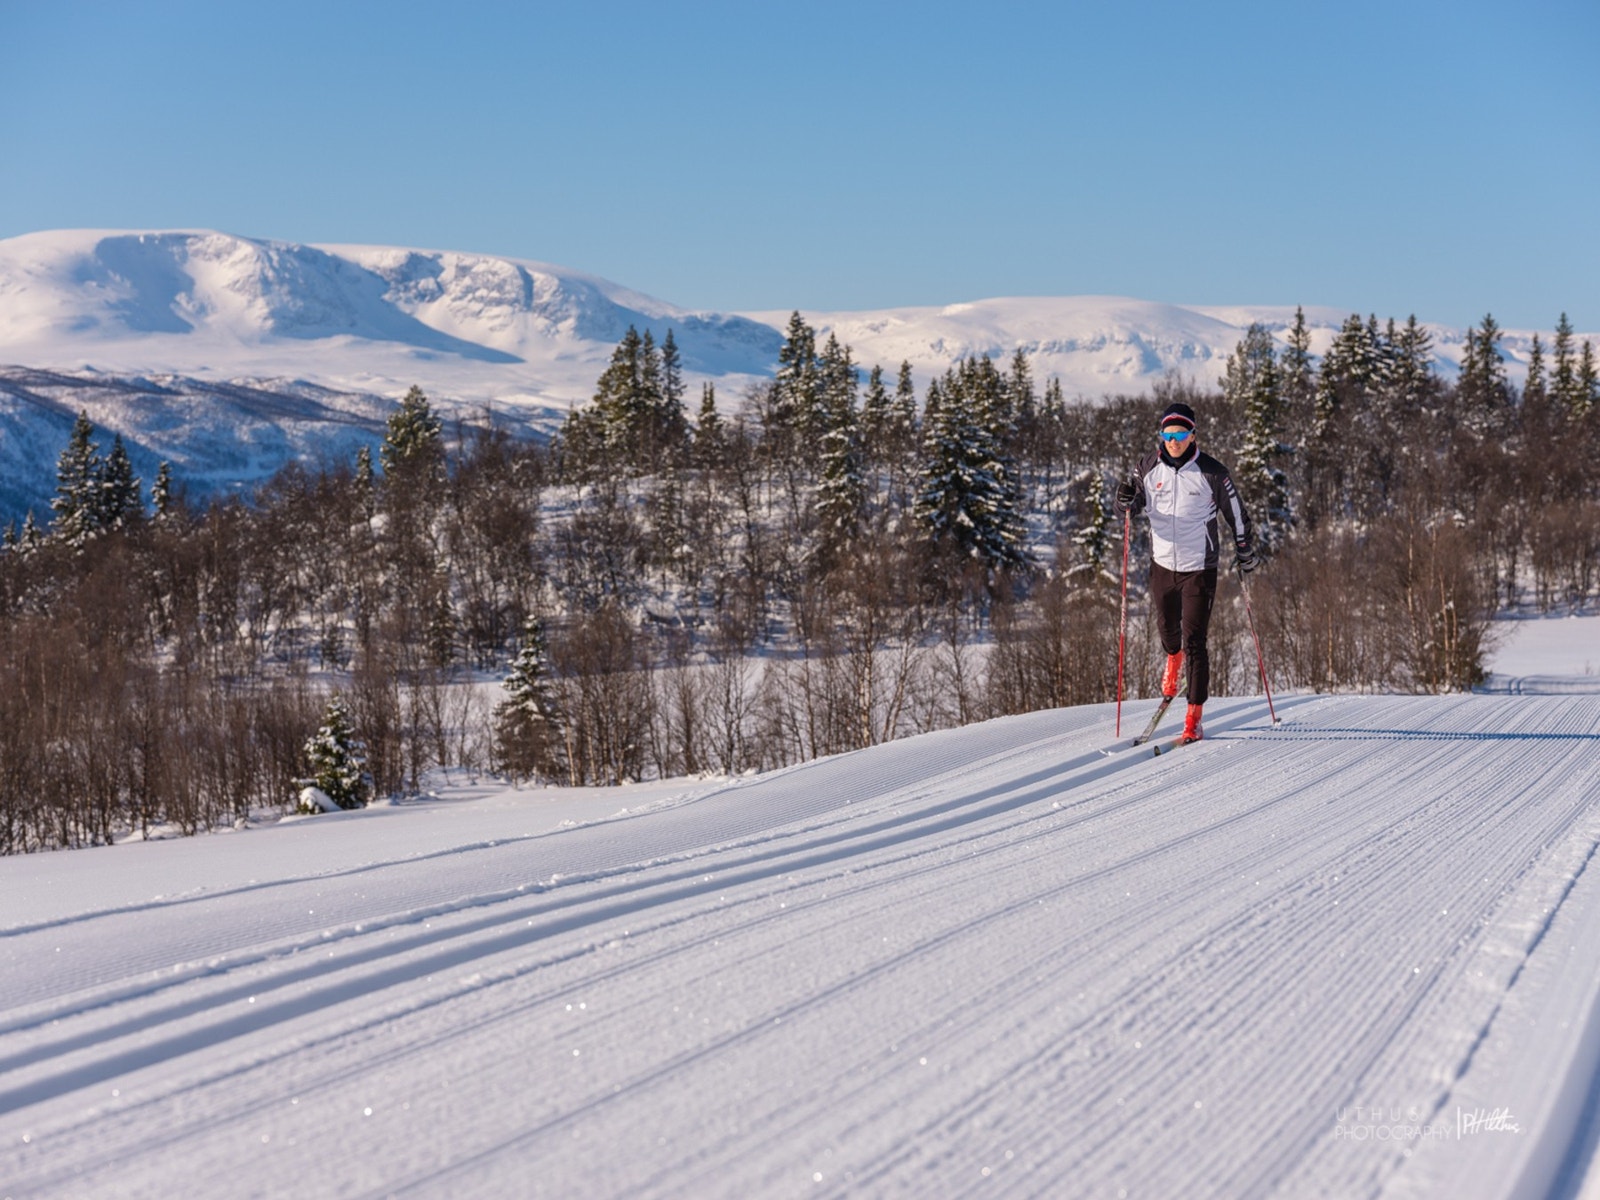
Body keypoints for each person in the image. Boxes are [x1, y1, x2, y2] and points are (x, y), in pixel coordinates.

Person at [1113, 401, 1257, 742]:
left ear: (1193, 435)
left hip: (1199, 568)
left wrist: (1244, 548)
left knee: (1196, 642)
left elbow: (1235, 512)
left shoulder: (1213, 472)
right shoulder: (1147, 466)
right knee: (1167, 632)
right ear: (1160, 435)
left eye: (1180, 434)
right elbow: (1132, 503)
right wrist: (1124, 500)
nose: (1173, 440)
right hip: (1162, 564)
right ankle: (1171, 660)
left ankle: (1193, 718)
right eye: (1167, 434)